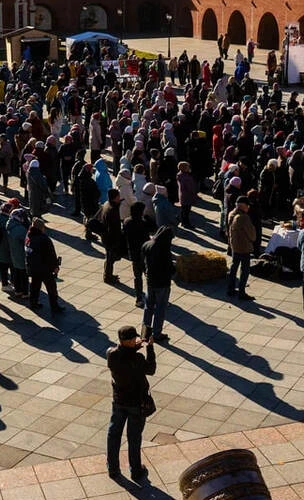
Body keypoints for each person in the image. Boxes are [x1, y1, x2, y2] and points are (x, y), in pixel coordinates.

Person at [106, 325, 155, 482]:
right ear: (130, 340)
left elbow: (123, 355)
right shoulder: (138, 359)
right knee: (134, 437)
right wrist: (150, 348)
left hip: (119, 401)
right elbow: (151, 369)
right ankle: (135, 470)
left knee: (114, 434)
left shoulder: (111, 355)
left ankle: (113, 469)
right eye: (134, 339)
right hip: (136, 403)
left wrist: (134, 347)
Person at [141, 226, 174, 342]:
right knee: (160, 308)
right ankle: (156, 333)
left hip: (150, 280)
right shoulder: (164, 250)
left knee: (148, 306)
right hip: (162, 283)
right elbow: (170, 268)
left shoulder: (147, 245)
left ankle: (145, 332)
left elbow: (143, 261)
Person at [123, 201, 157, 308]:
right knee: (149, 275)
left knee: (137, 277)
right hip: (144, 253)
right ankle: (152, 297)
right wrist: (147, 217)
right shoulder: (143, 223)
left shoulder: (127, 221)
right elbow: (154, 228)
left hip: (133, 253)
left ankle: (139, 297)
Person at [25, 217, 63, 312]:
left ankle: (33, 303)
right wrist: (55, 266)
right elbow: (51, 255)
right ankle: (54, 306)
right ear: (41, 228)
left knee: (35, 286)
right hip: (44, 268)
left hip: (33, 267)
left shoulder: (29, 237)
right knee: (51, 288)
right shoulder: (44, 239)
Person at [226, 196, 257, 301]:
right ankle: (242, 292)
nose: (248, 208)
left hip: (234, 245)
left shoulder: (231, 214)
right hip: (244, 247)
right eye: (247, 206)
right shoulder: (244, 217)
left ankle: (230, 289)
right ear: (243, 206)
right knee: (245, 270)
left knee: (234, 267)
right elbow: (252, 235)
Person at [98, 189, 125, 285]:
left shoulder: (106, 204)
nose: (120, 198)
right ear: (115, 198)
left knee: (109, 258)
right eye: (118, 196)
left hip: (106, 236)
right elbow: (114, 228)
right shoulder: (112, 210)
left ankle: (108, 275)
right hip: (110, 238)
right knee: (110, 258)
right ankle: (107, 277)